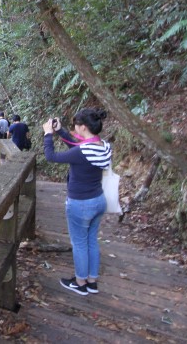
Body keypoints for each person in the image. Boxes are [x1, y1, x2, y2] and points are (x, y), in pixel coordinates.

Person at [42, 108, 112, 296]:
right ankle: (91, 282)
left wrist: (48, 135)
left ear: (82, 127)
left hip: (80, 204)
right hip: (98, 200)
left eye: (75, 126)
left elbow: (51, 156)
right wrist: (61, 131)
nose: (74, 128)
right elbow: (77, 145)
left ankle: (80, 283)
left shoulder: (81, 152)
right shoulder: (103, 146)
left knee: (79, 244)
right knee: (91, 241)